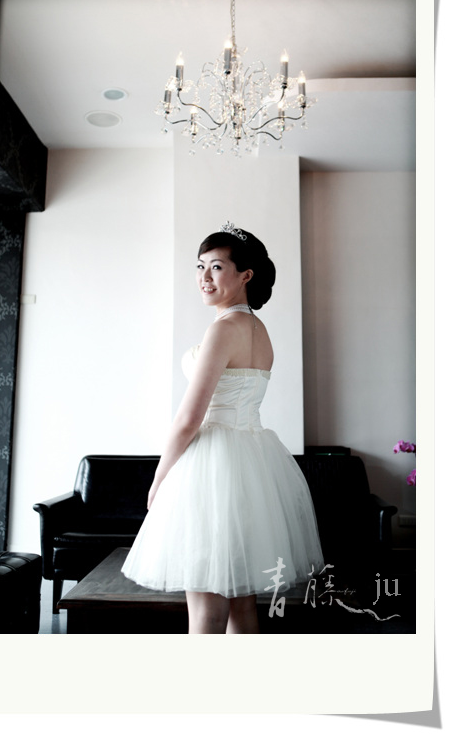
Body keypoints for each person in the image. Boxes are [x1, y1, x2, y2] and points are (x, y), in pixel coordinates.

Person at [121, 221, 324, 633]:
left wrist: (160, 478)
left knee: (206, 610)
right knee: (240, 604)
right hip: (252, 466)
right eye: (200, 267)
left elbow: (189, 418)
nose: (204, 277)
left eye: (216, 267)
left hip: (211, 467)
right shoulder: (259, 331)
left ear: (245, 275)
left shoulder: (223, 329)